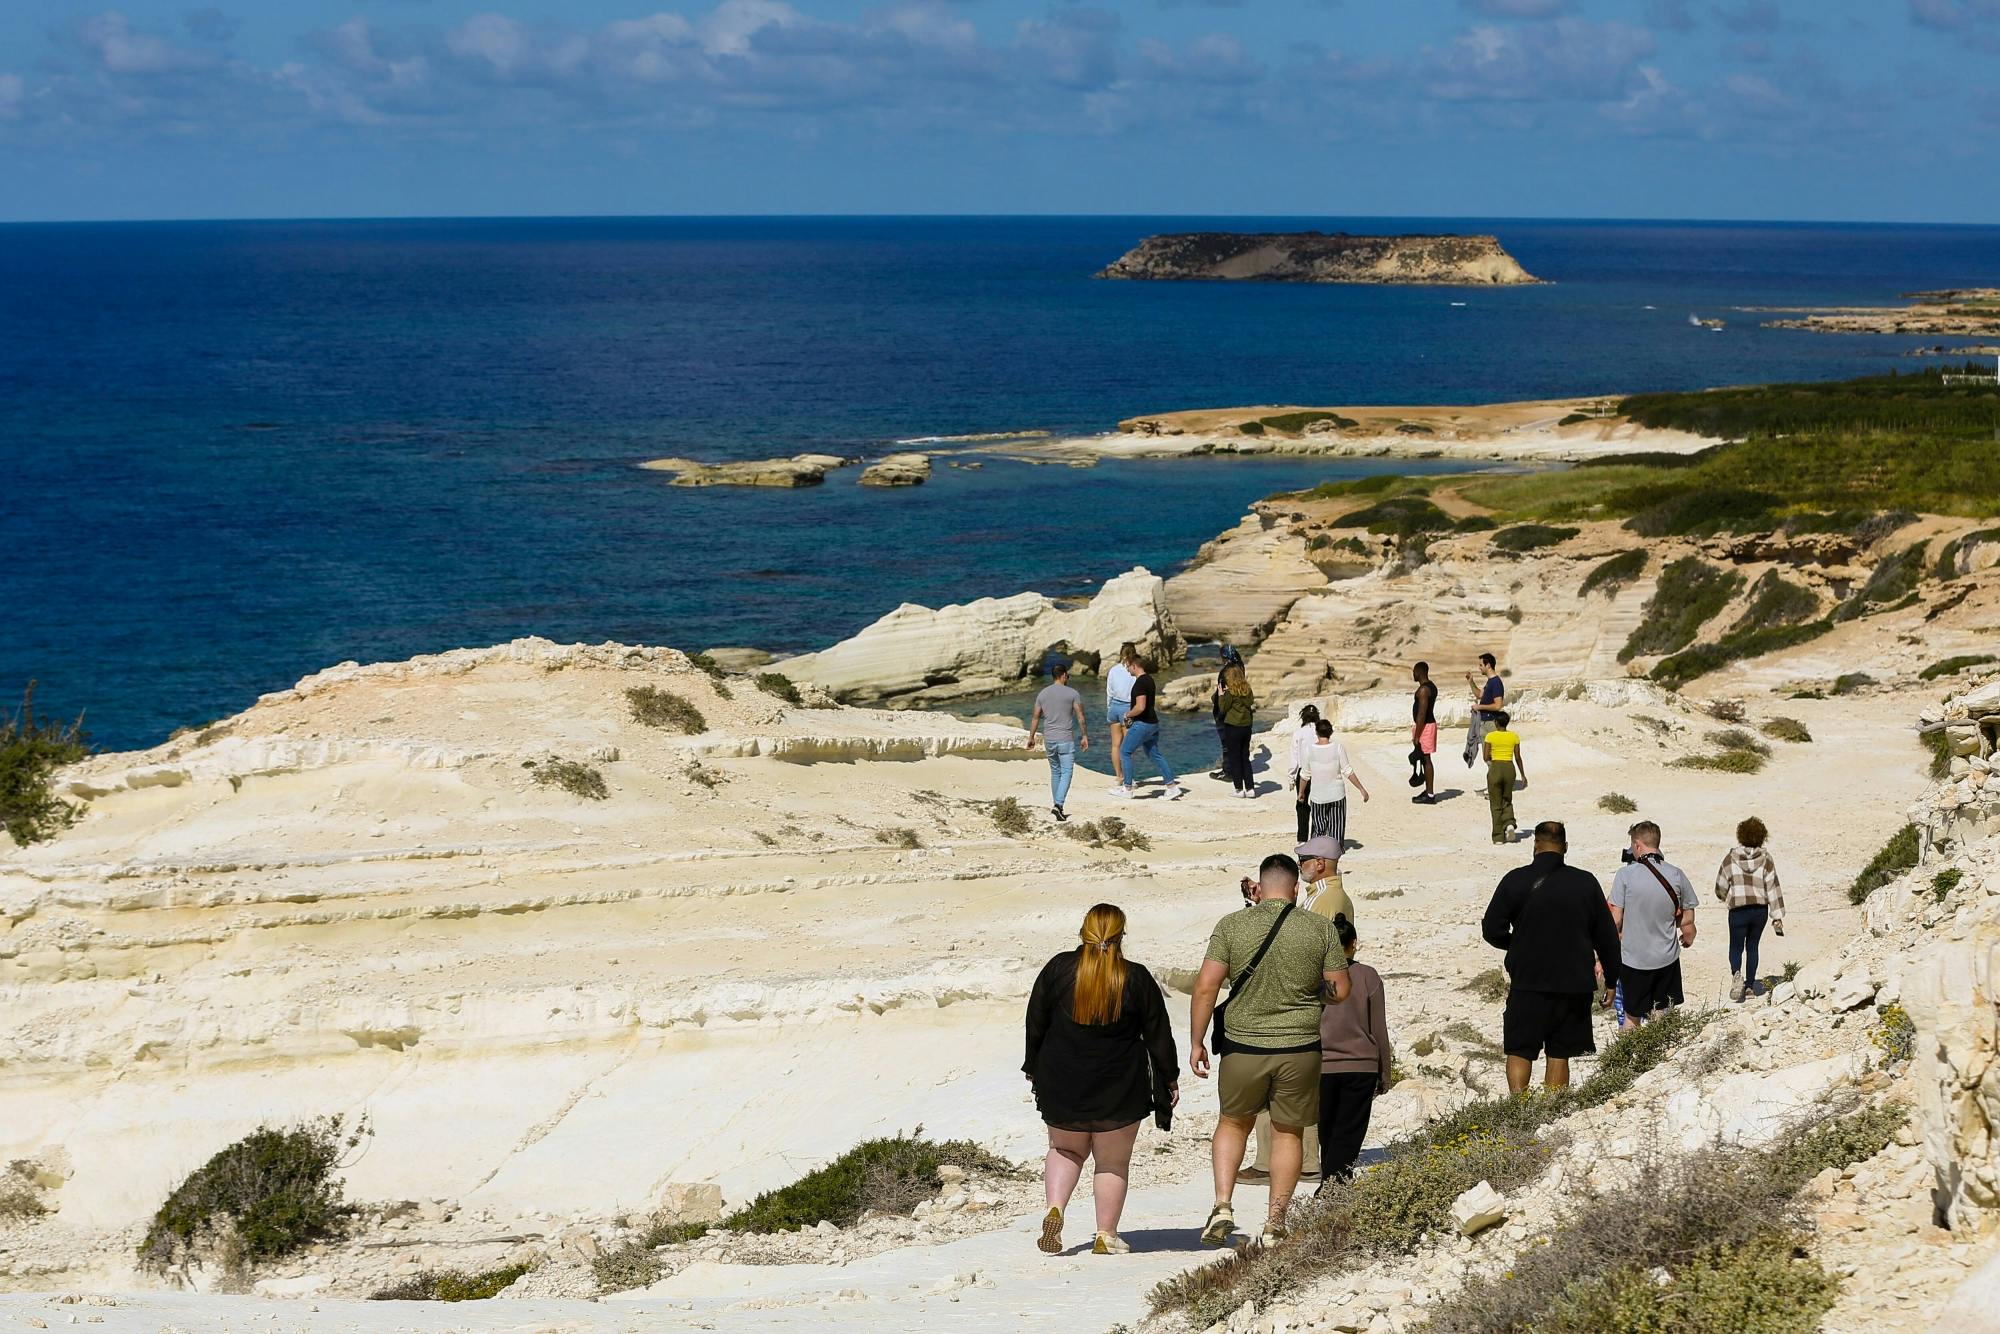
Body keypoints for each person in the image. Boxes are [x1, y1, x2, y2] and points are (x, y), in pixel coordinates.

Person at [1190, 854, 1352, 1248]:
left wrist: (1196, 1040)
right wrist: (1312, 993)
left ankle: (1223, 1204)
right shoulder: (1319, 929)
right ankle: (1275, 1221)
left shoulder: (1231, 925)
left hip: (1243, 1046)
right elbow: (1341, 991)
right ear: (1295, 889)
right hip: (1299, 1047)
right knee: (1288, 1133)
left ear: (1259, 889)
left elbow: (1207, 986)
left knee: (1232, 1123)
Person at [1025, 904, 1179, 1257]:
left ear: (1083, 931)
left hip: (1062, 1079)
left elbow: (1035, 1023)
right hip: (1120, 1084)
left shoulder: (1058, 970)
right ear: (1121, 935)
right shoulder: (1136, 977)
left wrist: (1033, 1066)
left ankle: (1056, 1207)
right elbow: (1158, 1034)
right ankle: (1105, 1235)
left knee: (1065, 1149)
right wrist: (1168, 1078)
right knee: (1111, 1163)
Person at [1481, 821, 1621, 1093]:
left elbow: (1491, 929)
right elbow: (1606, 938)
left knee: (1520, 1048)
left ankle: (1518, 1108)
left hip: (1528, 980)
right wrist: (1613, 980)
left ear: (1535, 845)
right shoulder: (1585, 882)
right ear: (1565, 847)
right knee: (1560, 1050)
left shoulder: (1515, 879)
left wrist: (1516, 945)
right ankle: (1550, 1110)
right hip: (1573, 982)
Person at [1317, 912, 1389, 1186]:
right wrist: (1386, 1072)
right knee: (1349, 1133)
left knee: (1327, 1133)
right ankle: (1333, 1189)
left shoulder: (1316, 978)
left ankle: (1331, 1189)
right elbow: (1378, 1029)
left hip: (1323, 1066)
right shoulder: (1368, 976)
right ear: (1354, 943)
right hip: (1361, 1066)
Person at [1607, 820, 1698, 1028]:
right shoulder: (1676, 874)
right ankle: (1660, 1057)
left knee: (1631, 1016)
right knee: (1662, 1012)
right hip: (1667, 958)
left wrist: (1606, 950)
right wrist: (1688, 937)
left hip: (1634, 961)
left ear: (1637, 845)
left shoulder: (1625, 875)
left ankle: (1626, 1059)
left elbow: (1617, 919)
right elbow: (1688, 921)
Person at [1715, 816, 1785, 1002]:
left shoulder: (1730, 858)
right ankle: (1750, 987)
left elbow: (1721, 884)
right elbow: (1773, 888)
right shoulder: (1766, 859)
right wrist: (1776, 916)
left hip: (1738, 910)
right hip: (1759, 910)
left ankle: (1737, 974)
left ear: (1741, 835)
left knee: (1736, 946)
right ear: (1762, 836)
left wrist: (1723, 896)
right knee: (1752, 947)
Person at [1111, 659, 1184, 801]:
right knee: (1155, 754)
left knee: (1125, 752)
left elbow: (1140, 707)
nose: (1127, 670)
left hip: (1142, 724)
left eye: (1128, 667)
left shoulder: (1140, 684)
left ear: (1134, 666)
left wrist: (1127, 714)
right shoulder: (1149, 680)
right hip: (1153, 723)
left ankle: (1127, 789)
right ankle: (1172, 787)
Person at [1026, 659, 1089, 823]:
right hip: (1065, 739)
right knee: (1067, 772)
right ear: (1062, 675)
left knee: (1055, 772)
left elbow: (1035, 717)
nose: (1068, 677)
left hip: (1050, 739)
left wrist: (1031, 737)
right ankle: (1059, 805)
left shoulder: (1042, 694)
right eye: (1067, 675)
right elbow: (1081, 718)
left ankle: (1057, 807)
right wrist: (1084, 736)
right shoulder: (1073, 693)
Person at [1301, 720, 1370, 863]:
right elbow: (1347, 770)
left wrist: (1301, 793)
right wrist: (1361, 788)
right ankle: (1334, 855)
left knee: (1318, 827)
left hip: (1317, 796)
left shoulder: (1309, 749)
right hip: (1337, 794)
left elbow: (1305, 775)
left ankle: (1317, 854)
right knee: (1336, 827)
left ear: (1316, 733)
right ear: (1331, 732)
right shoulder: (1338, 747)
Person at [1481, 711, 1526, 845]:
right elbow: (1518, 757)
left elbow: (1485, 757)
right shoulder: (1514, 736)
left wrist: (1493, 759)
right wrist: (1523, 775)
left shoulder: (1490, 736)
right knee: (1507, 799)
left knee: (1495, 803)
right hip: (1509, 768)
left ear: (1496, 723)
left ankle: (1498, 836)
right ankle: (1509, 823)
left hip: (1495, 767)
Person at [1215, 662, 1258, 798]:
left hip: (1233, 727)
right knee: (1245, 757)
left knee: (1234, 758)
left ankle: (1239, 789)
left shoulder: (1230, 692)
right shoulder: (1247, 690)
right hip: (1246, 727)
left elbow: (1223, 708)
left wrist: (1221, 694)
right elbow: (1250, 702)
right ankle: (1250, 788)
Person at [1295, 836, 1355, 926]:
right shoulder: (1344, 898)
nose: (1298, 863)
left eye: (1302, 859)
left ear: (1319, 864)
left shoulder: (1316, 902)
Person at [1462, 653, 1503, 770]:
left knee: (1491, 757)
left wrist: (1480, 708)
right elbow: (1480, 694)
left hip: (1490, 724)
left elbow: (1498, 705)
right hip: (1485, 723)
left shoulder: (1496, 682)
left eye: (1481, 665)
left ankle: (1496, 784)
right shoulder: (1490, 682)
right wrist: (1471, 682)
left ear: (1488, 665)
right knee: (1488, 758)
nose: (1479, 667)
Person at [1106, 642, 1139, 788]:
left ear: (1121, 654)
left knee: (1115, 745)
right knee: (1128, 747)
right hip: (1128, 708)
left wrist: (1109, 707)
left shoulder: (1113, 670)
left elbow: (1109, 691)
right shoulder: (1134, 671)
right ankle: (1128, 778)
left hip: (1113, 707)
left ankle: (1118, 776)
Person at [1289, 704, 1323, 843]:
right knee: (1319, 805)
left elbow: (1294, 757)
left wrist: (1291, 777)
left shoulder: (1299, 733)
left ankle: (1302, 838)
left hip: (1303, 773)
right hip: (1320, 772)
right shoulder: (1321, 732)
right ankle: (1318, 835)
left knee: (1301, 804)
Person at [1411, 663, 1439, 805]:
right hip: (1426, 726)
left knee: (1426, 759)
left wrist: (1417, 735)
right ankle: (1428, 790)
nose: (1413, 675)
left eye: (1414, 672)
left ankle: (1430, 795)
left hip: (1425, 727)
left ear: (1419, 672)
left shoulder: (1423, 690)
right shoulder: (1431, 686)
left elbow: (1422, 713)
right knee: (1422, 758)